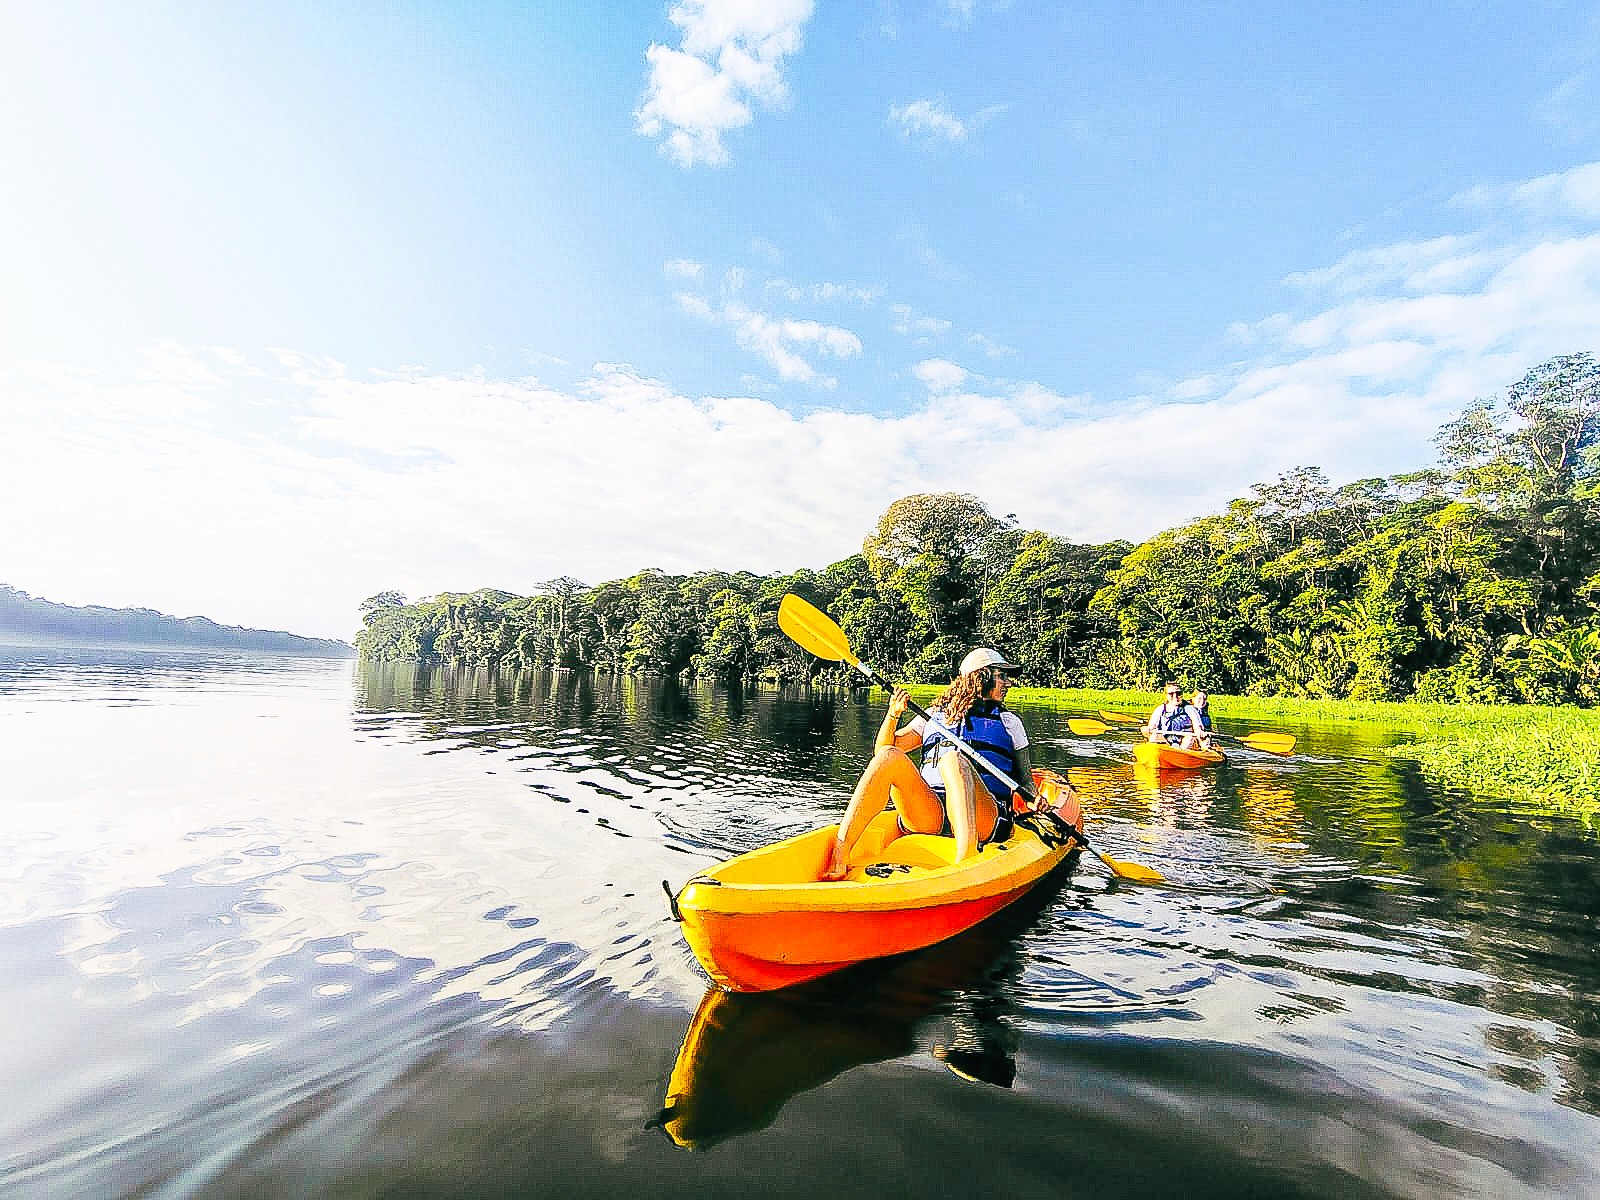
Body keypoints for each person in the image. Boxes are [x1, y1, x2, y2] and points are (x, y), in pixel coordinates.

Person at [820, 648, 1059, 881]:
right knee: (889, 756)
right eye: (1002, 676)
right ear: (981, 677)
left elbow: (1026, 782)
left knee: (953, 759)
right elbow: (883, 750)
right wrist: (893, 714)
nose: (1008, 683)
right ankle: (841, 850)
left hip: (984, 816)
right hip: (930, 814)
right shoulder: (933, 714)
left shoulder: (1010, 722)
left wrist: (1034, 800)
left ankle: (965, 860)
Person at [1145, 681, 1208, 751]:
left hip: (1184, 741)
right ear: (1166, 695)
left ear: (1182, 694)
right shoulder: (1160, 709)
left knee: (1190, 737)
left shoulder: (1189, 709)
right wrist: (1148, 729)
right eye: (1171, 694)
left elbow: (1197, 725)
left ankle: (1182, 755)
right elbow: (1152, 726)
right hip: (1166, 741)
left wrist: (1199, 731)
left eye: (1178, 693)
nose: (1175, 696)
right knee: (1154, 736)